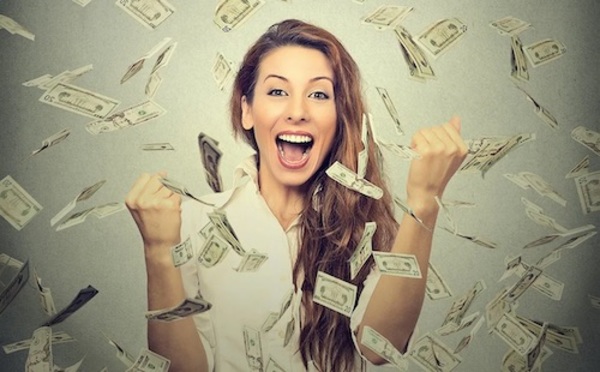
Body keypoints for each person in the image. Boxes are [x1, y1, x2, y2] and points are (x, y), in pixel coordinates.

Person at [125, 19, 467, 371]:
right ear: (246, 110)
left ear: (340, 115)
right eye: (277, 91)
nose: (298, 112)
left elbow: (379, 347)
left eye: (319, 94)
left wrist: (425, 203)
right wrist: (158, 251)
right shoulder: (190, 224)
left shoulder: (368, 229)